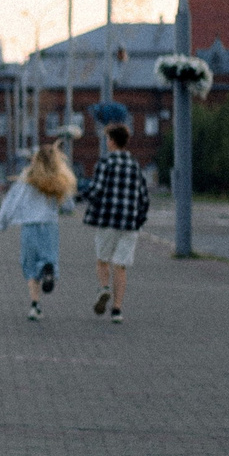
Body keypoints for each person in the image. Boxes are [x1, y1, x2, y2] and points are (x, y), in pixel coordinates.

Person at [81, 116, 151, 323]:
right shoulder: (135, 165)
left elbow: (97, 190)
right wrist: (138, 219)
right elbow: (144, 197)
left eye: (107, 139)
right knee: (120, 266)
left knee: (103, 260)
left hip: (108, 221)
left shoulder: (106, 162)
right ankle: (117, 310)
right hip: (129, 224)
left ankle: (104, 289)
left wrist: (82, 193)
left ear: (111, 141)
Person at [0, 142, 76, 321]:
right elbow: (69, 205)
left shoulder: (27, 177)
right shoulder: (58, 178)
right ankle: (48, 270)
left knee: (30, 266)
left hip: (30, 227)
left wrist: (3, 222)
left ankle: (35, 305)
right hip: (49, 226)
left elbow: (13, 201)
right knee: (49, 258)